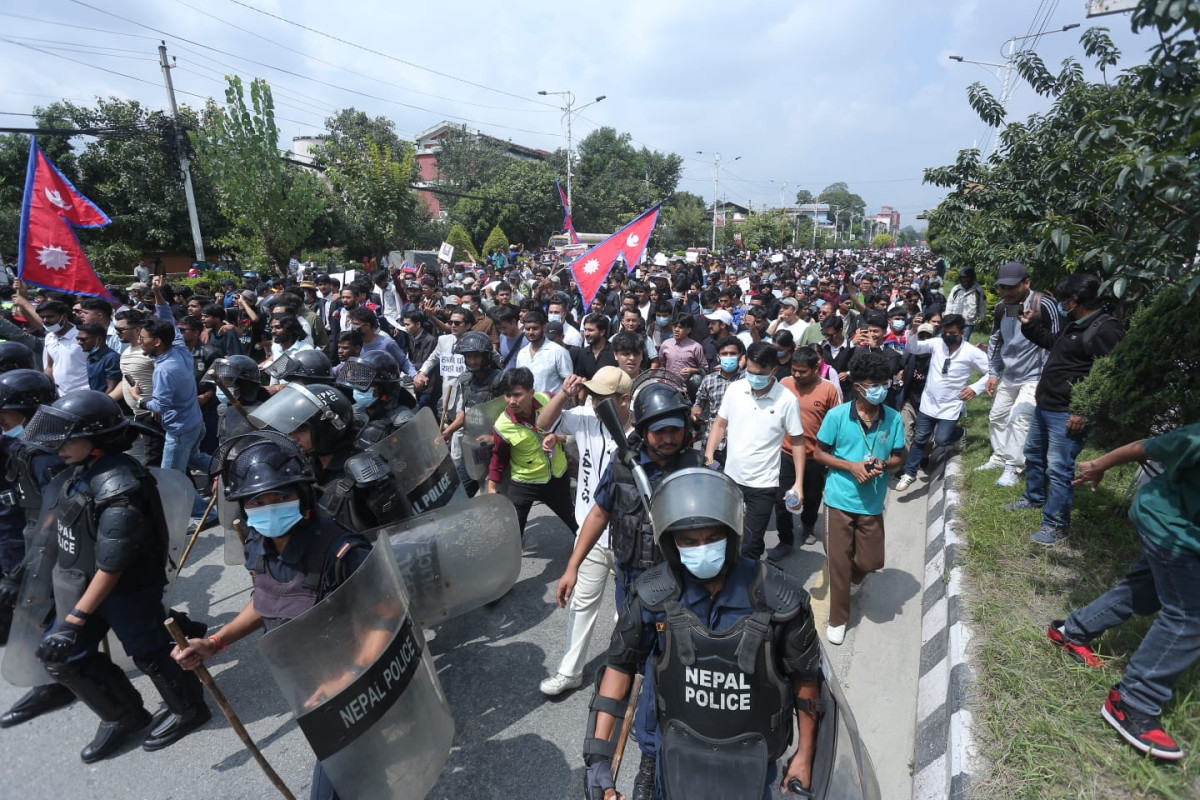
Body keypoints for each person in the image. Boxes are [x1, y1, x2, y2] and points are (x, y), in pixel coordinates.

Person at [581, 468, 821, 800]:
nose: (702, 548)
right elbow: (619, 668)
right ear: (671, 542)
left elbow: (806, 681)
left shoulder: (778, 598)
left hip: (750, 766)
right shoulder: (655, 594)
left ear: (732, 534)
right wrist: (599, 768)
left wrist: (805, 755)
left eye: (712, 537)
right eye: (689, 541)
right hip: (678, 760)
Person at [171, 431, 372, 800]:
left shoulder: (342, 551)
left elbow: (385, 617)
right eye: (257, 500)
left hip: (354, 682)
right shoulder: (259, 543)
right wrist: (213, 643)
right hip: (308, 681)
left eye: (280, 496)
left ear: (302, 494)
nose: (268, 507)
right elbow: (268, 600)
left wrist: (347, 676)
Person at [21, 391, 209, 761]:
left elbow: (113, 563)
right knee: (63, 656)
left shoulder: (118, 482)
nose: (58, 446)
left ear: (97, 437)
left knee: (150, 652)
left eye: (67, 438)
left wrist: (74, 619)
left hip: (127, 589)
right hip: (83, 582)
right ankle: (123, 715)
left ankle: (189, 708)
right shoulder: (79, 471)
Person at [555, 379, 705, 799]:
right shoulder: (623, 465)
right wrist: (572, 566)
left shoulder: (697, 468)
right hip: (631, 585)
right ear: (642, 429)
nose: (669, 438)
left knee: (667, 671)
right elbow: (599, 514)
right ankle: (605, 765)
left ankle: (652, 758)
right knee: (629, 666)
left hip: (680, 591)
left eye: (675, 429)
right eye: (660, 431)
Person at [1045, 424, 1199, 761]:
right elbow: (1148, 446)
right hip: (1170, 527)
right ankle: (1132, 702)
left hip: (1182, 531)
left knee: (1147, 591)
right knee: (1189, 616)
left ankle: (1071, 631)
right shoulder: (1196, 439)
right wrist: (1099, 464)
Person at [1005, 273, 1125, 545]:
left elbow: (1110, 375)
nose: (1060, 305)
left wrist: (1083, 411)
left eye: (1062, 300)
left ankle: (1055, 524)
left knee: (1059, 468)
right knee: (1034, 454)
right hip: (1046, 404)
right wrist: (1031, 326)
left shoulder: (1105, 329)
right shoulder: (1076, 324)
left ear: (1073, 301)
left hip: (1068, 413)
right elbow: (1054, 345)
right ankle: (1034, 497)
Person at [536, 367, 632, 697]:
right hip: (589, 536)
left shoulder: (640, 433)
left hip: (629, 540)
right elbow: (543, 423)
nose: (593, 402)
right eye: (591, 395)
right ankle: (569, 672)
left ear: (623, 400)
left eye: (601, 398)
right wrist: (563, 393)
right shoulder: (585, 417)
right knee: (581, 606)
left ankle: (626, 674)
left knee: (628, 613)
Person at [813, 351, 906, 645]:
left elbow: (899, 457)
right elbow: (819, 453)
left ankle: (853, 579)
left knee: (870, 561)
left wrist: (883, 466)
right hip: (839, 499)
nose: (880, 388)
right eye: (872, 384)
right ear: (858, 387)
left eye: (883, 382)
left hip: (872, 503)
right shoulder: (837, 416)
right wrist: (851, 466)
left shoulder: (893, 418)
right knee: (839, 562)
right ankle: (838, 619)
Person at [703, 342, 805, 560]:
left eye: (760, 374)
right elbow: (720, 424)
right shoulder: (735, 390)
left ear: (774, 371)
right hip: (731, 478)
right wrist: (709, 455)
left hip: (764, 484)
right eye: (749, 371)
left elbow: (797, 441)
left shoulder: (787, 401)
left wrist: (798, 483)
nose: (753, 377)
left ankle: (747, 586)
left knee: (750, 542)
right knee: (726, 535)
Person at [979, 261, 1061, 487]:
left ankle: (1013, 468)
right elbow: (997, 341)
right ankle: (999, 456)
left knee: (1019, 419)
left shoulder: (1043, 304)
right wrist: (994, 373)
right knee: (997, 416)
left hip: (1036, 375)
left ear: (1026, 283)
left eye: (1011, 287)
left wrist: (1050, 377)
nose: (1005, 292)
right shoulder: (1002, 308)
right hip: (1010, 374)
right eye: (1002, 287)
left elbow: (1057, 342)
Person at [895, 313, 990, 491]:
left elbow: (992, 372)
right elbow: (913, 348)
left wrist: (974, 388)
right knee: (920, 438)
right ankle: (910, 473)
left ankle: (959, 433)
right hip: (929, 402)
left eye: (951, 332)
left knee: (941, 438)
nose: (947, 336)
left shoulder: (971, 352)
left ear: (961, 332)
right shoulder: (937, 343)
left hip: (951, 404)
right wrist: (914, 330)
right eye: (945, 332)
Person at [485, 367, 577, 538]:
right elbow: (499, 458)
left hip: (557, 478)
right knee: (513, 536)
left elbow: (572, 431)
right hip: (524, 483)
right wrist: (491, 487)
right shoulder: (502, 426)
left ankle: (591, 560)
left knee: (577, 526)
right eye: (508, 395)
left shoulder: (549, 399)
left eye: (517, 395)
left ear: (531, 392)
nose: (512, 401)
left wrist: (556, 437)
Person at [770, 345, 842, 560]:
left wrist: (832, 455)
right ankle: (785, 540)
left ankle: (808, 525)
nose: (797, 375)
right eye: (794, 370)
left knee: (811, 497)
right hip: (785, 453)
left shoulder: (829, 390)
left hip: (814, 456)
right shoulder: (783, 385)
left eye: (803, 371)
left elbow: (837, 424)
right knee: (782, 499)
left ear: (816, 367)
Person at [442, 331, 505, 497]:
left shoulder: (500, 380)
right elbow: (465, 413)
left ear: (486, 357)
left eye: (476, 356)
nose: (472, 361)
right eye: (468, 357)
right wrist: (448, 431)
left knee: (498, 495)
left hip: (497, 446)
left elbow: (509, 415)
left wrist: (494, 437)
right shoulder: (465, 380)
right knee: (461, 491)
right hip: (473, 447)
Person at [691, 336, 745, 470]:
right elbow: (699, 403)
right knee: (709, 476)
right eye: (724, 354)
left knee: (734, 483)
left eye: (732, 353)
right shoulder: (709, 380)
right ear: (718, 357)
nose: (728, 356)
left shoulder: (747, 380)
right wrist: (696, 411)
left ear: (740, 356)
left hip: (739, 445)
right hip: (712, 446)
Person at [36, 299, 89, 396]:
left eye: (50, 316)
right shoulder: (49, 337)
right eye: (42, 317)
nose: (45, 320)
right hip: (60, 395)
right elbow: (50, 366)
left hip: (85, 394)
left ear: (64, 316)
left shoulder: (83, 336)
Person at [514, 310, 574, 394]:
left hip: (553, 405)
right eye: (527, 329)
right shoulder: (522, 354)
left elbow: (569, 383)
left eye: (535, 328)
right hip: (529, 405)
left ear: (544, 327)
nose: (531, 332)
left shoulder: (559, 352)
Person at [75, 322, 121, 393]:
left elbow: (112, 388)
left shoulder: (111, 358)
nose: (79, 342)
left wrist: (100, 402)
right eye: (78, 339)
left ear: (99, 339)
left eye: (83, 339)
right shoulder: (91, 356)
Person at [945, 266, 987, 340]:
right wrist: (947, 317)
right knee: (953, 338)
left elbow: (982, 304)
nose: (965, 280)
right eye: (962, 278)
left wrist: (982, 318)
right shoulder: (956, 289)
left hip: (969, 321)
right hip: (955, 320)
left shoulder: (978, 289)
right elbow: (950, 303)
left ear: (972, 278)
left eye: (967, 277)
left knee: (964, 340)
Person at [577, 312, 618, 380]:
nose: (586, 334)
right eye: (585, 330)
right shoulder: (583, 353)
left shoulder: (614, 353)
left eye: (590, 330)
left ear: (602, 332)